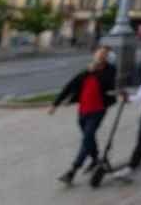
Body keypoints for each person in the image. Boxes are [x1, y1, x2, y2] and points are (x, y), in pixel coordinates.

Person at [49, 45, 117, 185]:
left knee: (87, 138)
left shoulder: (110, 70)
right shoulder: (86, 71)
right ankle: (95, 159)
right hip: (83, 110)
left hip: (98, 110)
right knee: (88, 138)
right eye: (98, 54)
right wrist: (55, 104)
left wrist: (94, 71)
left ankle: (72, 171)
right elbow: (70, 86)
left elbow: (107, 83)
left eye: (103, 54)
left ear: (107, 57)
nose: (100, 56)